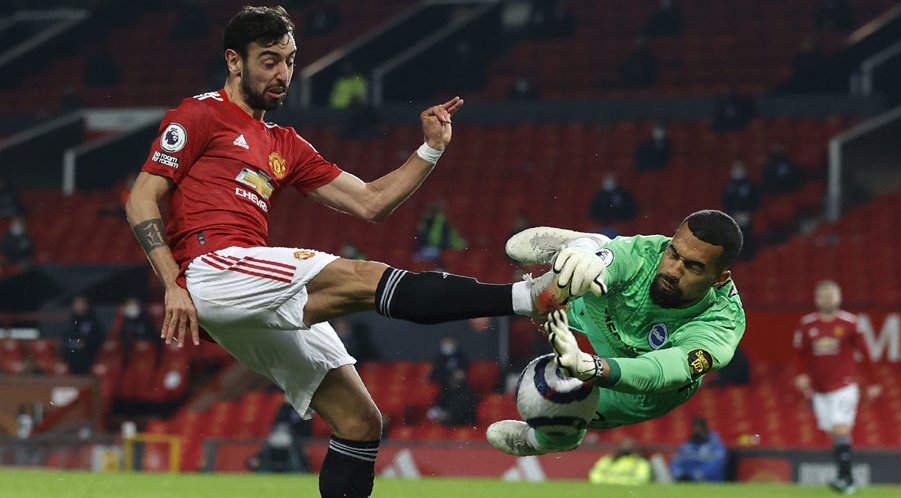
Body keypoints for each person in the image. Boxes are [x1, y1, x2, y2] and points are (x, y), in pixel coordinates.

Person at [124, 7, 567, 497]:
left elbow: (371, 202)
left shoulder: (284, 143)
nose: (282, 74)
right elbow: (141, 199)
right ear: (234, 61)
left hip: (247, 293)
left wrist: (431, 149)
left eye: (289, 61)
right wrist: (172, 283)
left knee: (360, 421)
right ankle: (526, 297)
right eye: (269, 61)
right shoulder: (199, 114)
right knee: (362, 276)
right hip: (211, 270)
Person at [487, 210, 746, 458]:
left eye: (694, 267)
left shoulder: (723, 322)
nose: (673, 270)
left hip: (640, 390)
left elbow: (661, 371)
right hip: (607, 315)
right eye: (673, 253)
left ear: (718, 279)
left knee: (562, 412)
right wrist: (594, 263)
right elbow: (618, 264)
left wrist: (592, 367)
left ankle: (538, 441)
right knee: (578, 281)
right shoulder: (644, 251)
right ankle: (588, 248)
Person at [793, 280, 881, 495]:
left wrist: (873, 381)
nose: (827, 299)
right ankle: (847, 479)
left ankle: (844, 480)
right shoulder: (807, 325)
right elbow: (799, 353)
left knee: (841, 428)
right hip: (819, 389)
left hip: (843, 386)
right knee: (834, 433)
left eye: (831, 295)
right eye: (823, 295)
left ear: (839, 298)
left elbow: (865, 352)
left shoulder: (850, 323)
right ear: (816, 299)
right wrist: (801, 374)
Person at [669, 417, 728, 482]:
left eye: (699, 431)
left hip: (708, 483)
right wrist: (679, 474)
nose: (697, 434)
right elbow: (675, 462)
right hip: (685, 482)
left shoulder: (714, 444)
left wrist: (697, 475)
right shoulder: (687, 445)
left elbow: (718, 462)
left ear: (705, 430)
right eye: (695, 431)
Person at [62, 295, 105, 375]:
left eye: (81, 303)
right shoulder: (71, 320)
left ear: (86, 304)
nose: (78, 306)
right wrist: (73, 342)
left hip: (88, 353)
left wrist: (84, 342)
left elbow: (96, 338)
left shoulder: (92, 321)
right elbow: (66, 336)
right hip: (71, 352)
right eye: (76, 303)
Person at [413, 200, 466, 265]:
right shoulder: (424, 223)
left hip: (441, 249)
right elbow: (421, 237)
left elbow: (446, 239)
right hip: (430, 249)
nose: (427, 214)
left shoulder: (443, 223)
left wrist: (441, 248)